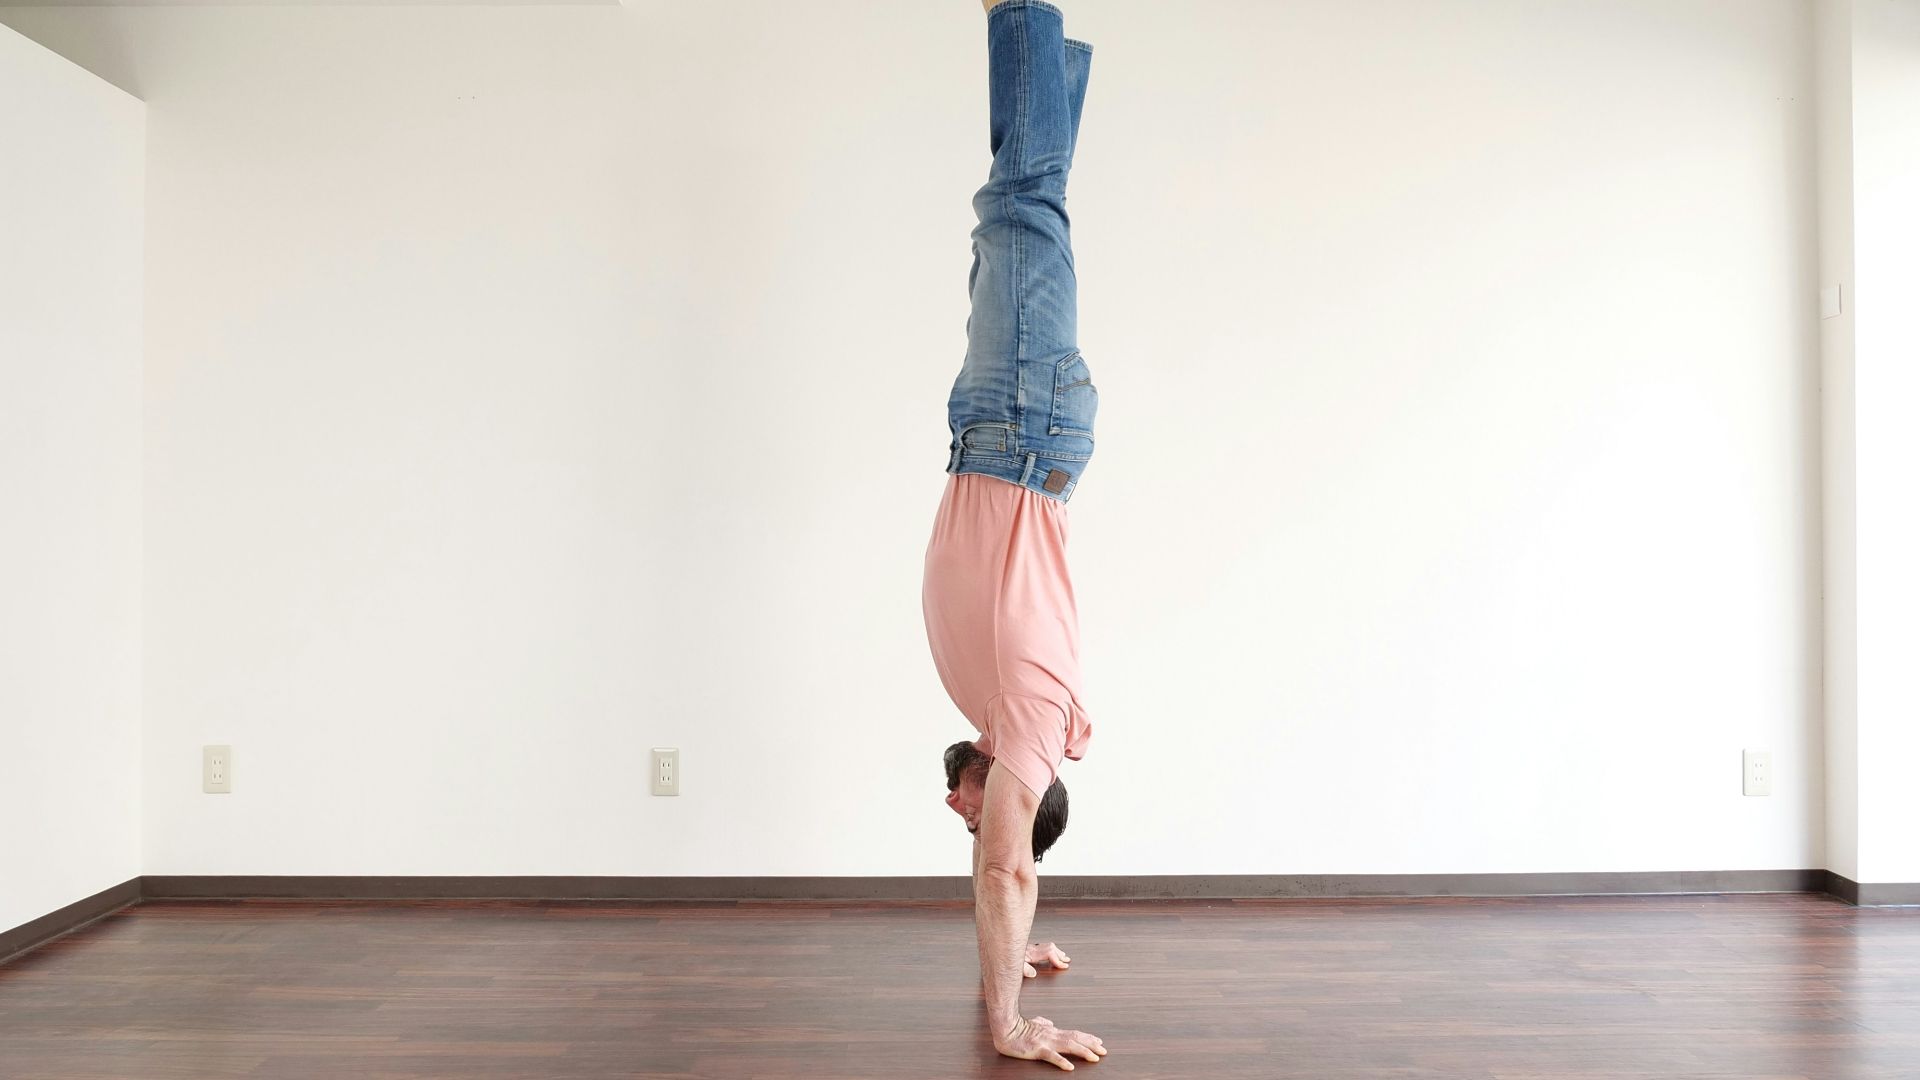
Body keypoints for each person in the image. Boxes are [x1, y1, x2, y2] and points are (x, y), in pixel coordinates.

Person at [920, 0, 1107, 1070]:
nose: (954, 800)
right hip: (1024, 424)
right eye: (971, 814)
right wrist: (1006, 1023)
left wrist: (1017, 949)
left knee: (1026, 202)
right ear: (1015, 808)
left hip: (994, 426)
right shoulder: (1030, 725)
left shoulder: (987, 701)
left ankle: (1044, 46)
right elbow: (1004, 874)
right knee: (1019, 201)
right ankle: (1020, 12)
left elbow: (1003, 884)